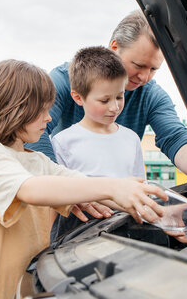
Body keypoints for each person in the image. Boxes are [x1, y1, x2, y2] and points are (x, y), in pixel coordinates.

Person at [0, 59, 168, 299]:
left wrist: (163, 213)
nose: (49, 118)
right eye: (41, 110)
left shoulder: (37, 161)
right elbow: (30, 189)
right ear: (14, 109)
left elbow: (81, 183)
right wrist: (112, 187)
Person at [26, 10, 187, 224]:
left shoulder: (150, 95)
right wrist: (67, 190)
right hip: (73, 213)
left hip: (123, 217)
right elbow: (31, 130)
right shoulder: (66, 80)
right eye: (138, 66)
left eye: (153, 69)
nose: (144, 77)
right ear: (115, 48)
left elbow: (175, 135)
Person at [50, 46, 146, 240]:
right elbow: (55, 201)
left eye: (119, 96)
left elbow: (140, 189)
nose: (115, 107)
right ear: (78, 97)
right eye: (104, 100)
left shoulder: (131, 139)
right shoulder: (63, 142)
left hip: (127, 235)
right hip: (77, 238)